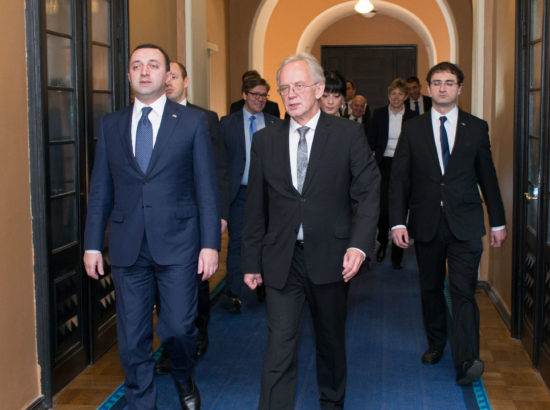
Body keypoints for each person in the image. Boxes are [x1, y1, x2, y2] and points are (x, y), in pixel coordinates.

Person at [83, 44, 220, 409]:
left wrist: (210, 244)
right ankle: (143, 403)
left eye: (153, 65)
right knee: (132, 339)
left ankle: (182, 373)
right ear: (129, 75)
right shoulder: (111, 125)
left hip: (179, 244)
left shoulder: (191, 122)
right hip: (128, 247)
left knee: (178, 328)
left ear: (167, 75)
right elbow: (100, 189)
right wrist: (92, 244)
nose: (145, 71)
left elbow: (206, 187)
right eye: (137, 65)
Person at [241, 53, 380, 409]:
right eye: (284, 88)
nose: (290, 94)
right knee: (279, 344)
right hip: (281, 258)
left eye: (299, 86)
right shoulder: (266, 141)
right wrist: (251, 261)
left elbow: (367, 193)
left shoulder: (348, 135)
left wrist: (359, 245)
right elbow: (255, 207)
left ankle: (332, 402)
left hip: (331, 257)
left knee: (329, 341)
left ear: (319, 89)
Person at [390, 62, 507, 385]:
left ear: (459, 88)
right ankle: (436, 343)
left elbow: (487, 177)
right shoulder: (413, 129)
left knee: (463, 291)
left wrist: (498, 222)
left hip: (465, 223)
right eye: (437, 82)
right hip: (426, 222)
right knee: (430, 288)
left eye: (449, 82)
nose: (443, 88)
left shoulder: (476, 127)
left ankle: (467, 359)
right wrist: (397, 222)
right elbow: (399, 179)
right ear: (429, 89)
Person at [152, 60, 229, 365]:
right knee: (163, 284)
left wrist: (220, 214)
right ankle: (172, 346)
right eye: (165, 76)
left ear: (186, 81)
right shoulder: (150, 117)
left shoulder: (205, 119)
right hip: (161, 219)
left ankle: (198, 333)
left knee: (196, 280)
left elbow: (219, 169)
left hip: (197, 216)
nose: (168, 81)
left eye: (174, 76)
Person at [221, 76, 280, 311]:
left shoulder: (276, 124)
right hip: (240, 195)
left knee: (268, 242)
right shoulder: (227, 124)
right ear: (244, 95)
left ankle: (264, 285)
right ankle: (234, 293)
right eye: (255, 94)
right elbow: (221, 165)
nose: (260, 99)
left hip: (270, 195)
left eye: (264, 95)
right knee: (237, 243)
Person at [368, 78, 416, 269]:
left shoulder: (412, 116)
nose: (396, 97)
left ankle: (398, 253)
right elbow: (371, 140)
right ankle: (382, 240)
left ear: (405, 97)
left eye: (400, 94)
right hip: (383, 164)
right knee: (383, 207)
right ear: (389, 95)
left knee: (401, 206)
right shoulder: (379, 114)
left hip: (404, 164)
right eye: (393, 94)